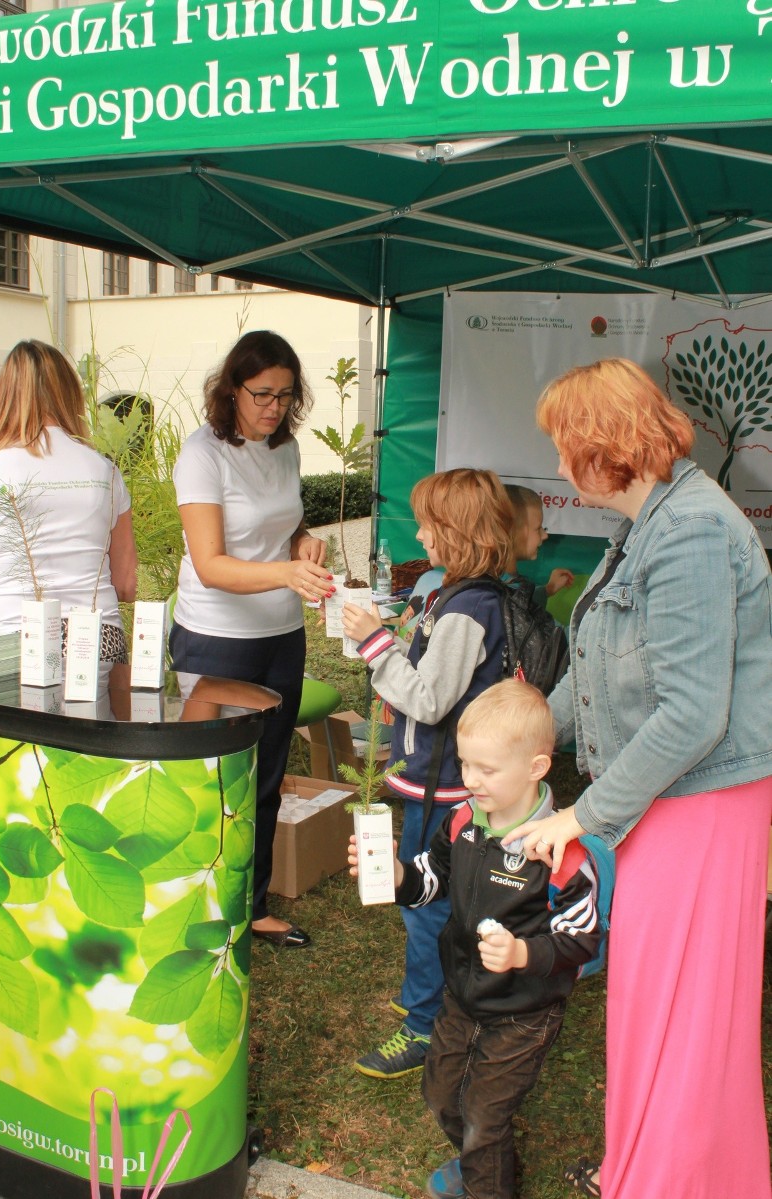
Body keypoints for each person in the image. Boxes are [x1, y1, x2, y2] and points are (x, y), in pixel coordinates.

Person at [511, 358, 772, 1199]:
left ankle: (680, 1181)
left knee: (687, 1020)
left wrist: (584, 813)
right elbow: (595, 677)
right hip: (673, 798)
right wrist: (514, 742)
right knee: (651, 1005)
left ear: (604, 445)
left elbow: (693, 714)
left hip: (707, 801)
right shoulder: (648, 524)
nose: (556, 467)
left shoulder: (691, 528)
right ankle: (646, 1170)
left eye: (562, 447)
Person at [347, 679, 601, 1199]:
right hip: (462, 997)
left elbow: (582, 938)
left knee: (486, 1117)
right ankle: (478, 1162)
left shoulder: (562, 852)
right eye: (465, 764)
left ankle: (486, 1179)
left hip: (524, 1012)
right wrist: (396, 876)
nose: (471, 779)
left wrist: (523, 952)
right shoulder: (463, 820)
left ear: (536, 768)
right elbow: (432, 877)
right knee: (442, 1096)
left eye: (487, 769)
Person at [341, 468, 515, 1077]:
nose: (419, 533)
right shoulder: (460, 596)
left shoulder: (467, 609)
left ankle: (423, 1023)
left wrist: (373, 645)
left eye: (428, 524)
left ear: (456, 532)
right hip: (440, 781)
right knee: (432, 901)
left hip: (443, 790)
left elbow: (430, 699)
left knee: (424, 902)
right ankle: (433, 991)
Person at [169, 329, 332, 949]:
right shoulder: (202, 454)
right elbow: (210, 563)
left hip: (280, 634)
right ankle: (193, 907)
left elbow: (282, 527)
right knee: (209, 776)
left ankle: (252, 904)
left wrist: (303, 544)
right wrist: (287, 572)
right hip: (217, 637)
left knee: (265, 772)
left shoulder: (284, 450)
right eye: (261, 394)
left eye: (286, 396)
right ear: (230, 389)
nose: (274, 408)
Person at [0, 339, 137, 662]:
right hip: (98, 642)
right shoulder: (106, 472)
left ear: (5, 398)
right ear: (69, 394)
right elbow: (126, 586)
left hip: (15, 643)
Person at [504, 484, 574, 607]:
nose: (545, 535)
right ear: (509, 533)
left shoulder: (507, 589)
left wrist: (547, 590)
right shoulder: (498, 596)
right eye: (538, 528)